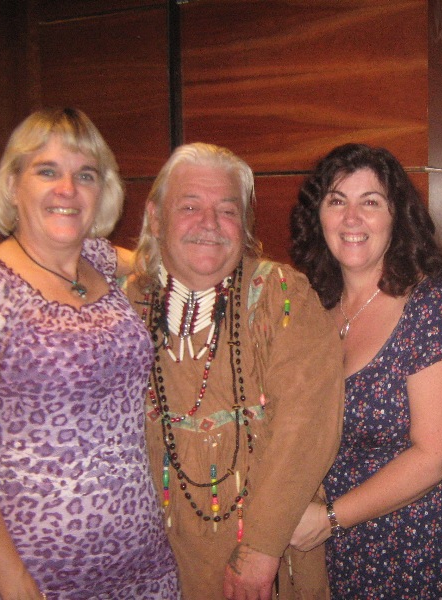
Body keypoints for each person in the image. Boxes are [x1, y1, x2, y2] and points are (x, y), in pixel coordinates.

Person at [0, 108, 179, 599]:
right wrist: (18, 587)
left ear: (102, 191)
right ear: (12, 184)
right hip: (33, 576)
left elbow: (176, 262)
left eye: (85, 175)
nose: (67, 189)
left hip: (142, 567)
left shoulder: (99, 260)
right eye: (47, 171)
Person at [126, 142, 345, 599]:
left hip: (265, 561)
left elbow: (306, 428)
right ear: (155, 218)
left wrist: (261, 551)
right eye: (190, 207)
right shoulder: (126, 306)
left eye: (227, 211)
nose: (209, 223)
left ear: (243, 225)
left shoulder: (282, 296)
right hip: (152, 562)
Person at [288, 143, 442, 598]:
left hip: (404, 543)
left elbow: (436, 456)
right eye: (337, 201)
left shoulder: (431, 308)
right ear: (318, 217)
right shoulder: (311, 307)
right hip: (320, 544)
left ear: (397, 217)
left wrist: (331, 518)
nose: (351, 218)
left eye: (370, 202)